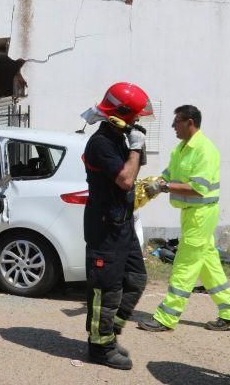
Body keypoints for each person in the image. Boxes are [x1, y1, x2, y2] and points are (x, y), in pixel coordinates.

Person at [139, 105, 230, 332]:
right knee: (209, 265)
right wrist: (153, 183)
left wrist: (164, 188)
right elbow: (169, 175)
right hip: (191, 215)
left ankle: (166, 317)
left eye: (176, 122)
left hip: (201, 215)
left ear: (190, 122)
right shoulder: (181, 149)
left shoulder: (205, 150)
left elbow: (198, 189)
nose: (173, 126)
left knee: (184, 265)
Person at [81, 82, 152, 370]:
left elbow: (133, 176)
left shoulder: (118, 137)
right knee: (105, 289)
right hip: (104, 226)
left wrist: (137, 145)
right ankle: (99, 347)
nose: (136, 122)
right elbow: (124, 179)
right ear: (120, 113)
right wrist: (135, 148)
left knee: (135, 279)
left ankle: (108, 333)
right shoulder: (100, 143)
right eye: (134, 117)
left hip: (121, 222)